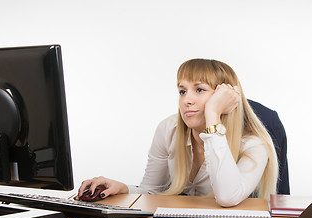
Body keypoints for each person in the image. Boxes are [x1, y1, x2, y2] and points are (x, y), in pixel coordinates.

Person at [78, 59, 278, 207]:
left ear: (223, 98)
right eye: (182, 91)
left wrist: (213, 114)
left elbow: (227, 197)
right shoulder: (168, 129)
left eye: (199, 90)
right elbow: (152, 192)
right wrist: (122, 188)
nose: (186, 100)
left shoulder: (254, 145)